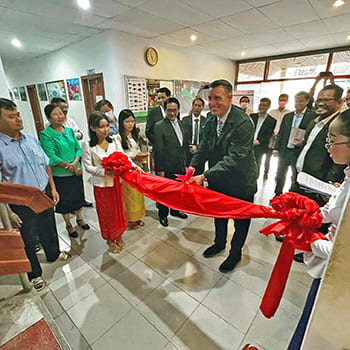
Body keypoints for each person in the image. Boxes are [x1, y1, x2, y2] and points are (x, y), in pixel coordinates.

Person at [287, 110, 350, 350]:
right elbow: (332, 210)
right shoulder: (347, 175)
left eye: (333, 139)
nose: (328, 146)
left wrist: (305, 238)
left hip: (338, 276)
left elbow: (341, 254)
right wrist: (308, 215)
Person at [0, 98, 70, 291]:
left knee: (48, 226)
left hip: (43, 192)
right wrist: (8, 213)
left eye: (18, 115)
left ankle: (54, 254)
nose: (18, 119)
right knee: (27, 238)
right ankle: (34, 274)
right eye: (11, 117)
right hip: (20, 202)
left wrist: (53, 188)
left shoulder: (30, 139)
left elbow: (45, 164)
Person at [189, 80, 257, 273]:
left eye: (217, 98)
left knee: (240, 221)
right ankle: (219, 243)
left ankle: (235, 253)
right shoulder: (211, 119)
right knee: (218, 215)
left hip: (241, 181)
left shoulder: (243, 122)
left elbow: (234, 158)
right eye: (210, 98)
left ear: (229, 98)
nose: (212, 103)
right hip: (220, 180)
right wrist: (193, 168)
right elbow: (203, 148)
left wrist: (205, 175)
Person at [293, 84, 346, 263]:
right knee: (305, 216)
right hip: (303, 177)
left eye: (326, 100)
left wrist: (328, 185)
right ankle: (303, 242)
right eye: (319, 99)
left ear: (339, 102)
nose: (320, 103)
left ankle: (313, 249)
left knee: (319, 223)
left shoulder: (339, 126)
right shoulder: (313, 122)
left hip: (320, 184)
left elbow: (338, 161)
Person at [81, 112, 139, 253]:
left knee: (118, 211)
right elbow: (88, 167)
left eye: (107, 126)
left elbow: (124, 157)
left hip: (116, 183)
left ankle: (118, 234)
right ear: (93, 128)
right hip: (102, 185)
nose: (106, 129)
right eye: (101, 127)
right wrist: (105, 172)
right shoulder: (87, 145)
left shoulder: (114, 141)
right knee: (106, 214)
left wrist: (133, 166)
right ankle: (110, 238)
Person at [40, 103, 90, 238]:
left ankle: (79, 218)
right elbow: (50, 156)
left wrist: (75, 164)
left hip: (76, 171)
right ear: (48, 118)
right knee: (65, 201)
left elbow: (77, 149)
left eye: (61, 113)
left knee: (78, 196)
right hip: (61, 175)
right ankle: (68, 224)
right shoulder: (46, 134)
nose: (60, 116)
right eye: (56, 114)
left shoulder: (69, 131)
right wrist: (69, 166)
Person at [51, 97, 93, 208]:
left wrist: (75, 163)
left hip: (76, 157)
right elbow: (54, 149)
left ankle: (81, 200)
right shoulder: (49, 126)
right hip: (62, 163)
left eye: (66, 108)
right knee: (66, 188)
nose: (65, 111)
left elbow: (80, 135)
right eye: (62, 108)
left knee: (78, 183)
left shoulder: (70, 121)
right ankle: (71, 206)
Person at [153, 97, 188, 227]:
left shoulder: (182, 123)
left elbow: (183, 145)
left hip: (180, 165)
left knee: (177, 190)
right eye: (169, 110)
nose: (172, 113)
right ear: (165, 110)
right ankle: (163, 214)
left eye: (174, 110)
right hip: (166, 167)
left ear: (178, 110)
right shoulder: (159, 126)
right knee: (164, 193)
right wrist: (160, 170)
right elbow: (158, 150)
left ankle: (175, 210)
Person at [274, 91, 316, 196]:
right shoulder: (288, 116)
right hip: (285, 150)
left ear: (306, 101)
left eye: (301, 101)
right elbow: (281, 133)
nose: (298, 103)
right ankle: (277, 194)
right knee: (280, 174)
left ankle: (292, 195)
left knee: (295, 175)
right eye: (296, 101)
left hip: (298, 151)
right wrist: (276, 148)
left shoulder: (312, 116)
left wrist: (303, 140)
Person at [117, 109, 146, 229]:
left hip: (137, 168)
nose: (130, 124)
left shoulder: (134, 135)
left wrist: (140, 156)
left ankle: (138, 216)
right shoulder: (118, 137)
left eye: (132, 121)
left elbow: (136, 149)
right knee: (129, 195)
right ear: (121, 122)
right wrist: (133, 158)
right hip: (127, 170)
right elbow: (121, 155)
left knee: (138, 194)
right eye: (127, 121)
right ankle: (130, 219)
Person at [250, 98, 276, 179]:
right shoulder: (252, 116)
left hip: (260, 146)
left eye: (264, 105)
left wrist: (259, 141)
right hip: (248, 144)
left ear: (268, 107)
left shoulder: (272, 120)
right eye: (260, 105)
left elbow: (268, 135)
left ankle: (254, 180)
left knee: (257, 164)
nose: (261, 107)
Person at [182, 97, 207, 174]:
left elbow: (206, 139)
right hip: (187, 152)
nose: (197, 108)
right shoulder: (185, 120)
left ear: (202, 107)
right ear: (192, 106)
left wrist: (197, 147)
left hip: (199, 152)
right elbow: (183, 136)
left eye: (199, 106)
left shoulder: (206, 121)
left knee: (198, 175)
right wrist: (190, 146)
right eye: (195, 105)